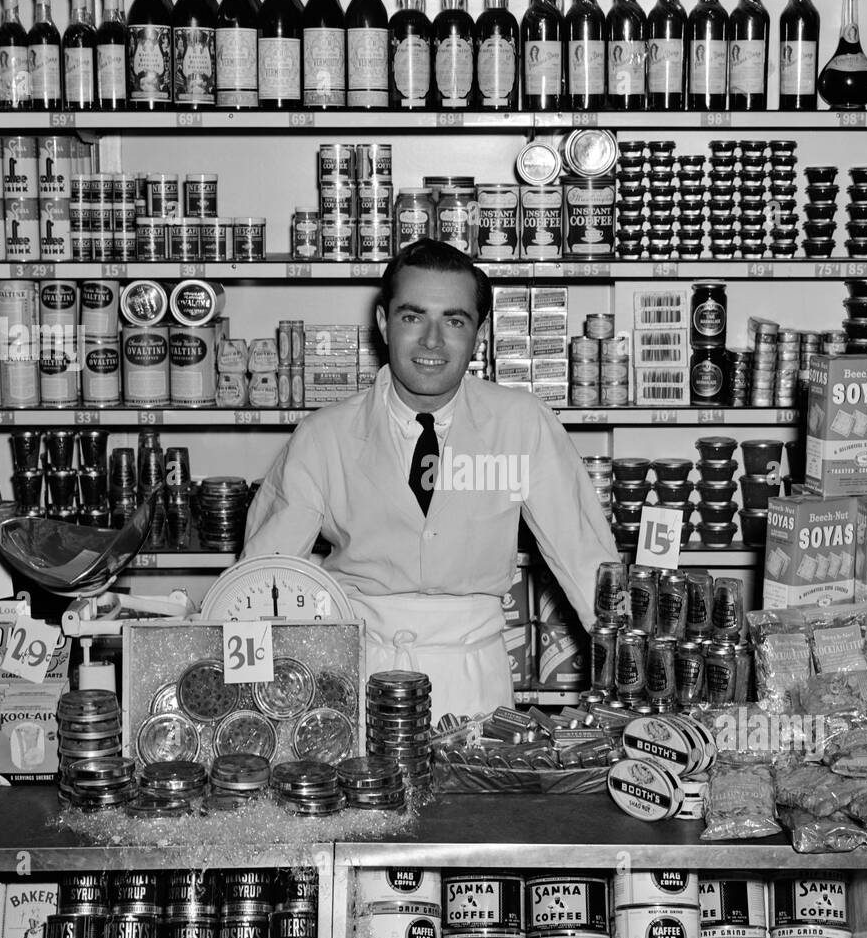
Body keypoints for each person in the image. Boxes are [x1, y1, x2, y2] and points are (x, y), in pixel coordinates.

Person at [242, 238, 619, 718]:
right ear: (383, 323)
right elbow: (257, 582)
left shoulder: (522, 424)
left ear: (479, 334)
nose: (432, 341)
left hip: (476, 685)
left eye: (454, 321)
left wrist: (637, 683)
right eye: (412, 316)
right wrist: (246, 713)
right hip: (354, 680)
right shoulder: (324, 436)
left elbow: (588, 564)